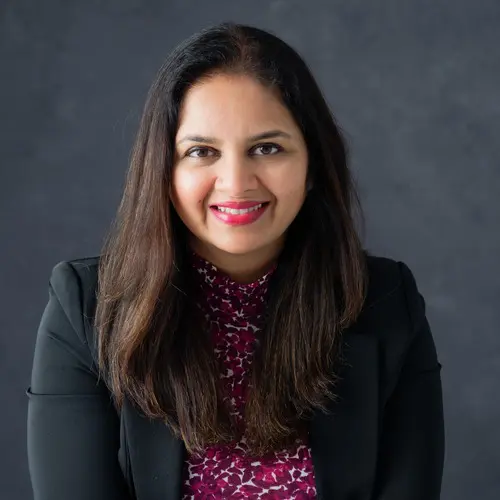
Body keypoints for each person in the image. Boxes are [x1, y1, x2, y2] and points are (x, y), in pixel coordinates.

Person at [26, 22, 444, 500]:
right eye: (201, 151)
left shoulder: (387, 303)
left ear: (312, 164)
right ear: (163, 170)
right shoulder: (85, 308)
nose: (236, 182)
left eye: (267, 148)